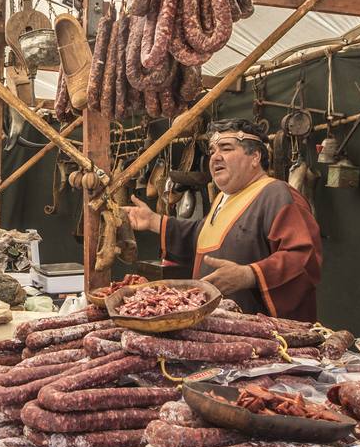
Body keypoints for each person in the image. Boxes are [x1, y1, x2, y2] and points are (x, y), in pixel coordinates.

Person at [122, 117, 323, 320]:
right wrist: (153, 221)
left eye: (226, 149)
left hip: (264, 337)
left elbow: (304, 257)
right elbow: (201, 237)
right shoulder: (222, 199)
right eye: (212, 151)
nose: (215, 157)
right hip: (218, 331)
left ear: (255, 156)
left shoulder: (276, 194)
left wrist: (249, 274)